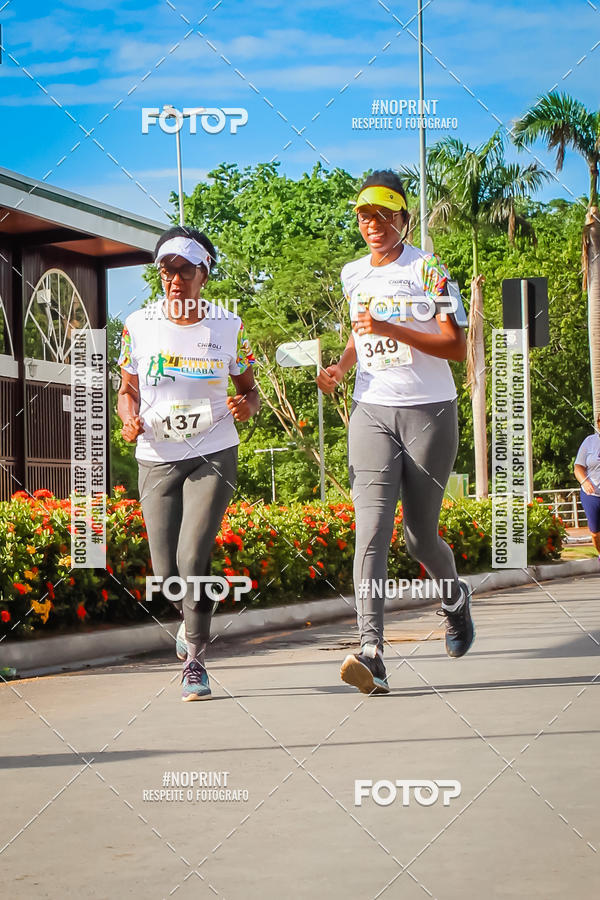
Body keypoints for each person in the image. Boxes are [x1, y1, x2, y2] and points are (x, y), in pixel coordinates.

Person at [317, 170, 474, 695]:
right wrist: (340, 367)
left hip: (430, 411)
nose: (374, 225)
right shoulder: (352, 273)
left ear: (404, 219)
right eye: (365, 216)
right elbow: (358, 335)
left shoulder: (429, 270)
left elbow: (457, 346)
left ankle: (454, 597)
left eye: (385, 216)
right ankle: (372, 652)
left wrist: (392, 328)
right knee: (372, 528)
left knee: (419, 536)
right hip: (372, 411)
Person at [117, 226, 259, 701]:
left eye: (185, 269)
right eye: (166, 270)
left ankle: (195, 661)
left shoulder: (228, 326)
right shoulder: (138, 325)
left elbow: (250, 391)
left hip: (213, 450)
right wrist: (128, 418)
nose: (174, 279)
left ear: (204, 274)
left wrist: (246, 407)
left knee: (192, 555)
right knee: (165, 573)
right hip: (157, 456)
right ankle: (192, 615)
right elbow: (127, 390)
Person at [574, 416, 600, 558]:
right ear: (598, 423)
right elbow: (578, 467)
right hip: (592, 494)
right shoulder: (590, 441)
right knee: (595, 532)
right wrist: (584, 481)